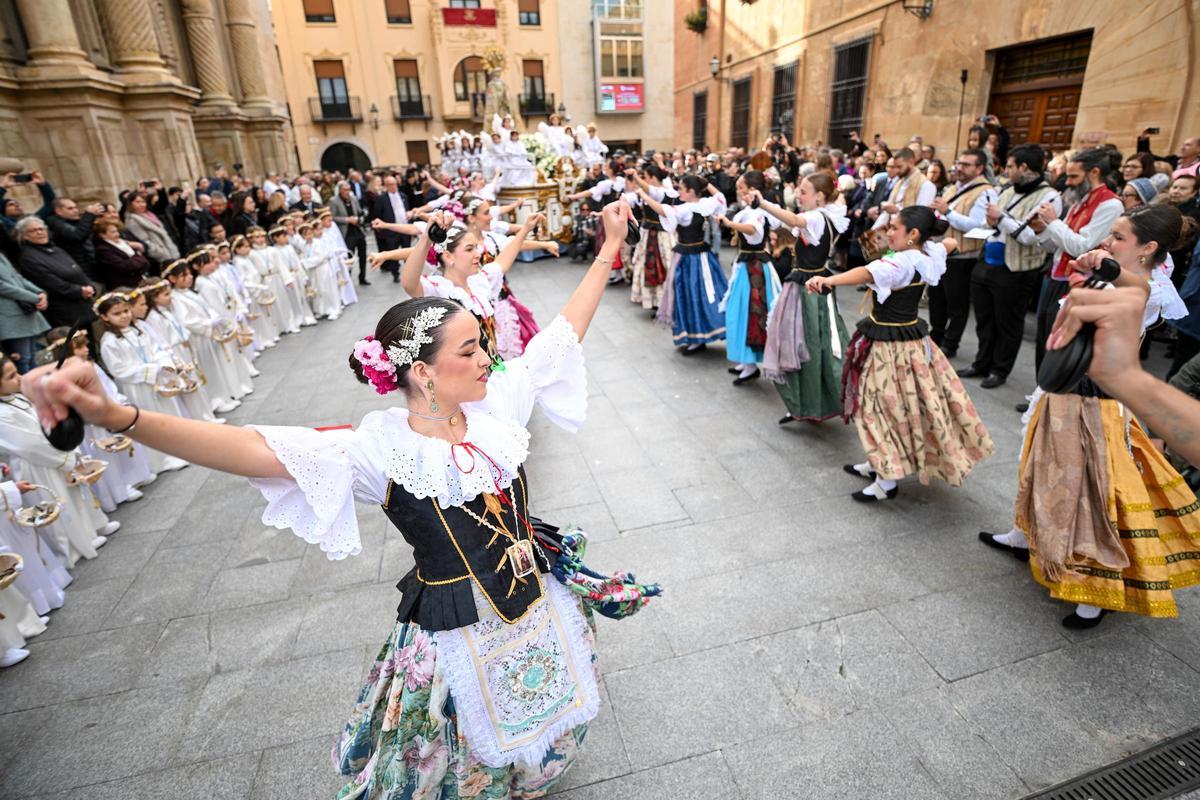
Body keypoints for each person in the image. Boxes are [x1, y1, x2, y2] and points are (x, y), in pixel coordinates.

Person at [21, 201, 658, 799]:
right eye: (471, 349)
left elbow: (561, 335)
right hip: (455, 626)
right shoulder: (377, 451)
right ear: (422, 372)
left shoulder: (497, 409)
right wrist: (120, 414)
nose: (489, 358)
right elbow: (245, 448)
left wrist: (608, 249)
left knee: (547, 704)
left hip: (531, 594)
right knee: (457, 746)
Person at [984, 205, 1199, 629]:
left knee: (1092, 492)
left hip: (1097, 402)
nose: (1108, 240)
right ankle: (1025, 534)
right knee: (1039, 463)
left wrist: (1107, 268)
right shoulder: (1118, 271)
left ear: (1148, 248)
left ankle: (1096, 587)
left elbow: (1135, 289)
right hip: (1064, 388)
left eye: (1119, 236)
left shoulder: (1150, 288)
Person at [807, 207, 994, 502]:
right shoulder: (929, 255)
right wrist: (946, 243)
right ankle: (878, 462)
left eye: (895, 227)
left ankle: (887, 480)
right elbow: (949, 244)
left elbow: (867, 272)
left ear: (914, 235)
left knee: (874, 407)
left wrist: (829, 280)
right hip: (914, 343)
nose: (889, 231)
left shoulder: (900, 263)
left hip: (890, 349)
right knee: (894, 406)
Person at [754, 173, 852, 422]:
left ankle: (808, 403)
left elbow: (796, 219)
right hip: (814, 285)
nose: (798, 194)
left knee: (803, 344)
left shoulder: (817, 218)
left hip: (807, 289)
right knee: (813, 345)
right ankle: (811, 403)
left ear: (819, 196)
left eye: (804, 191)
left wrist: (764, 203)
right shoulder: (828, 216)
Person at [963, 144, 1060, 391]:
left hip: (1017, 269)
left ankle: (999, 369)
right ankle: (981, 362)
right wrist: (990, 221)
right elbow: (995, 223)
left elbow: (1030, 236)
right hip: (988, 261)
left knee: (1008, 323)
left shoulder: (1049, 197)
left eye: (1010, 166)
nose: (1006, 171)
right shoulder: (1008, 190)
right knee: (984, 318)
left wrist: (1001, 217)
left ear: (1024, 168)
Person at [1028, 148, 1123, 372]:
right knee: (1044, 335)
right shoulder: (1080, 200)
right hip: (1056, 276)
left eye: (1074, 177)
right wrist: (1042, 230)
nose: (1068, 182)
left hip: (1079, 282)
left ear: (1094, 173)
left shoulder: (1111, 205)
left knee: (1060, 340)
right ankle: (1040, 392)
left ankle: (1051, 391)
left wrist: (1053, 223)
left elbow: (1082, 247)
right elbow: (1061, 244)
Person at [637, 174, 731, 354]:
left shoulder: (686, 209)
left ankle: (696, 337)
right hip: (702, 254)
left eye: (681, 188)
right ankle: (699, 334)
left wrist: (644, 196)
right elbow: (720, 196)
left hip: (689, 259)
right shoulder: (705, 204)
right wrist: (706, 183)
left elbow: (663, 210)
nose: (678, 191)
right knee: (703, 293)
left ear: (691, 191)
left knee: (690, 295)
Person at [716, 170, 782, 384]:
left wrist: (729, 224)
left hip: (755, 270)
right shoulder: (750, 209)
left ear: (753, 190)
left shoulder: (757, 212)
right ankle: (746, 361)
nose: (739, 192)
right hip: (747, 266)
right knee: (740, 312)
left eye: (741, 188)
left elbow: (754, 231)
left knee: (751, 313)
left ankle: (751, 363)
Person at [929, 149, 995, 362]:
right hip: (941, 251)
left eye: (966, 165)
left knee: (956, 303)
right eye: (959, 163)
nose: (959, 167)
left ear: (979, 168)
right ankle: (936, 334)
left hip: (963, 255)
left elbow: (978, 225)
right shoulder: (953, 188)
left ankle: (951, 342)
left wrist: (947, 212)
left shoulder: (986, 192)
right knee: (936, 298)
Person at [14, 216, 98, 328]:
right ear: (25, 236)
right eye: (33, 231)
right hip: (64, 312)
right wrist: (80, 291)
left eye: (41, 229)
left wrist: (90, 286)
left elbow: (78, 271)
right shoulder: (29, 257)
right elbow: (51, 283)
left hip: (83, 306)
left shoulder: (56, 249)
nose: (39, 232)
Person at [0, 252, 49, 374]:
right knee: (23, 360)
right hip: (9, 318)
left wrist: (39, 292)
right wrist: (34, 298)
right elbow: (2, 286)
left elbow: (17, 277)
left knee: (32, 357)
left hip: (24, 312)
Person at [46, 197, 102, 281]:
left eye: (75, 207)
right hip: (79, 270)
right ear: (59, 211)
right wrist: (89, 215)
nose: (76, 211)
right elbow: (77, 236)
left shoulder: (73, 221)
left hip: (91, 266)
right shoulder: (56, 223)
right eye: (70, 208)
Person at [122, 191, 180, 267]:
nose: (141, 204)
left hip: (170, 254)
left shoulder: (149, 215)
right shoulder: (133, 220)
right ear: (130, 203)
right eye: (137, 202)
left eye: (143, 202)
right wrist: (163, 255)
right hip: (158, 259)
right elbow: (145, 242)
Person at [329, 180, 370, 286]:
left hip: (357, 229)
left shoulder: (353, 198)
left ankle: (362, 277)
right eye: (345, 190)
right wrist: (347, 219)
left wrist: (359, 217)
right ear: (340, 190)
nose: (347, 192)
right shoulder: (334, 201)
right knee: (348, 256)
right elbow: (332, 217)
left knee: (363, 253)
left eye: (348, 190)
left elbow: (359, 211)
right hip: (346, 232)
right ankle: (348, 279)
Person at [93, 218, 151, 289]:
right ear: (102, 235)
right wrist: (138, 258)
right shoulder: (103, 250)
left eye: (117, 231)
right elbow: (125, 266)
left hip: (138, 280)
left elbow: (145, 262)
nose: (117, 234)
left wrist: (136, 260)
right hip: (124, 286)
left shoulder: (123, 243)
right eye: (113, 232)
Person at [372, 175, 410, 283]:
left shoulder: (403, 196)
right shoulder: (382, 199)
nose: (394, 186)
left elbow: (406, 209)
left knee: (408, 253)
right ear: (386, 186)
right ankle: (395, 274)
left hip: (405, 228)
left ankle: (409, 272)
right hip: (391, 231)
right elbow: (377, 214)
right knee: (393, 253)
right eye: (391, 185)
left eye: (395, 184)